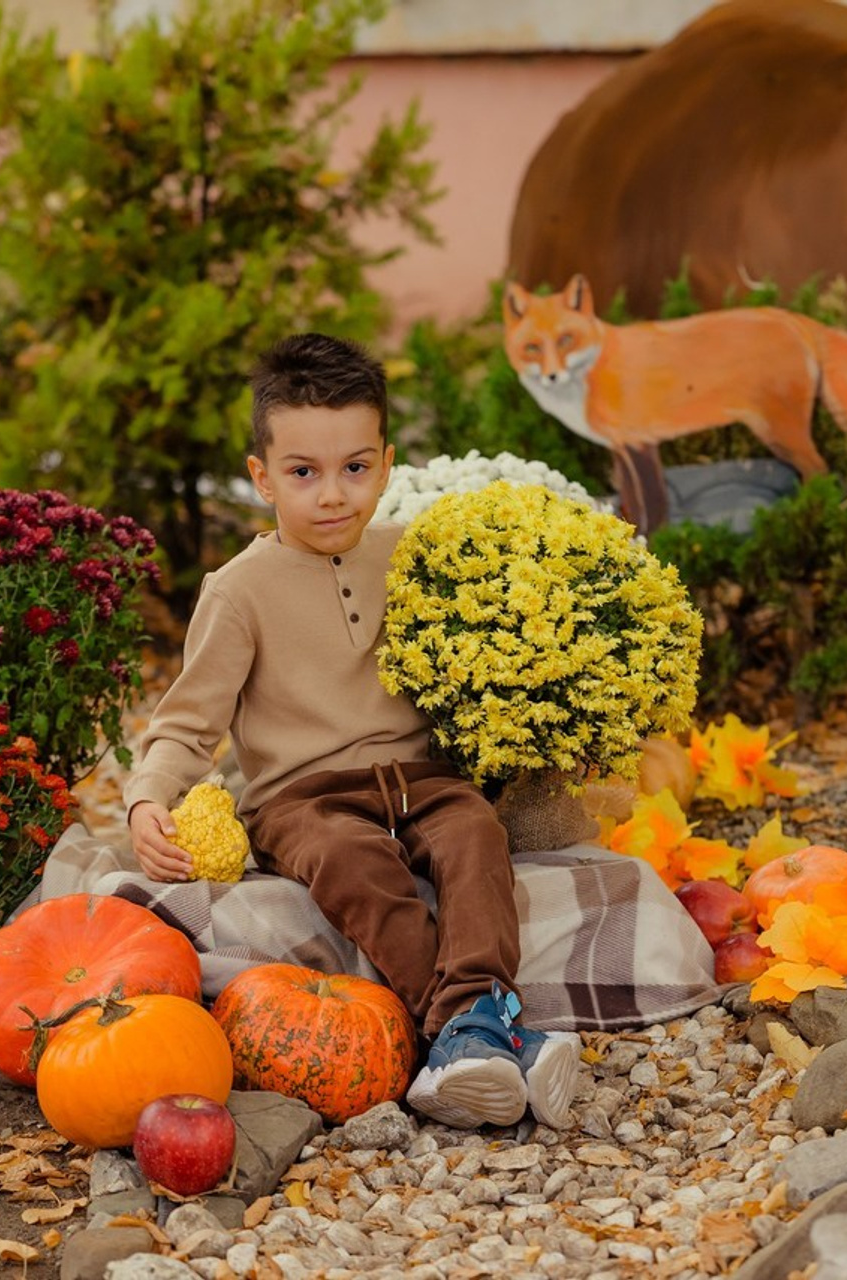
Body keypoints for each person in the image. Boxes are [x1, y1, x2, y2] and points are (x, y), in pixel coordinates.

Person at [125, 332, 580, 1130]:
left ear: (387, 462)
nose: (332, 494)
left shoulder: (410, 557)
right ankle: (474, 1028)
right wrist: (145, 800)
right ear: (262, 478)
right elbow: (186, 722)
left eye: (355, 469)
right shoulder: (238, 592)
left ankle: (475, 1024)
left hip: (421, 779)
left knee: (476, 834)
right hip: (303, 799)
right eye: (304, 474)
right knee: (353, 862)